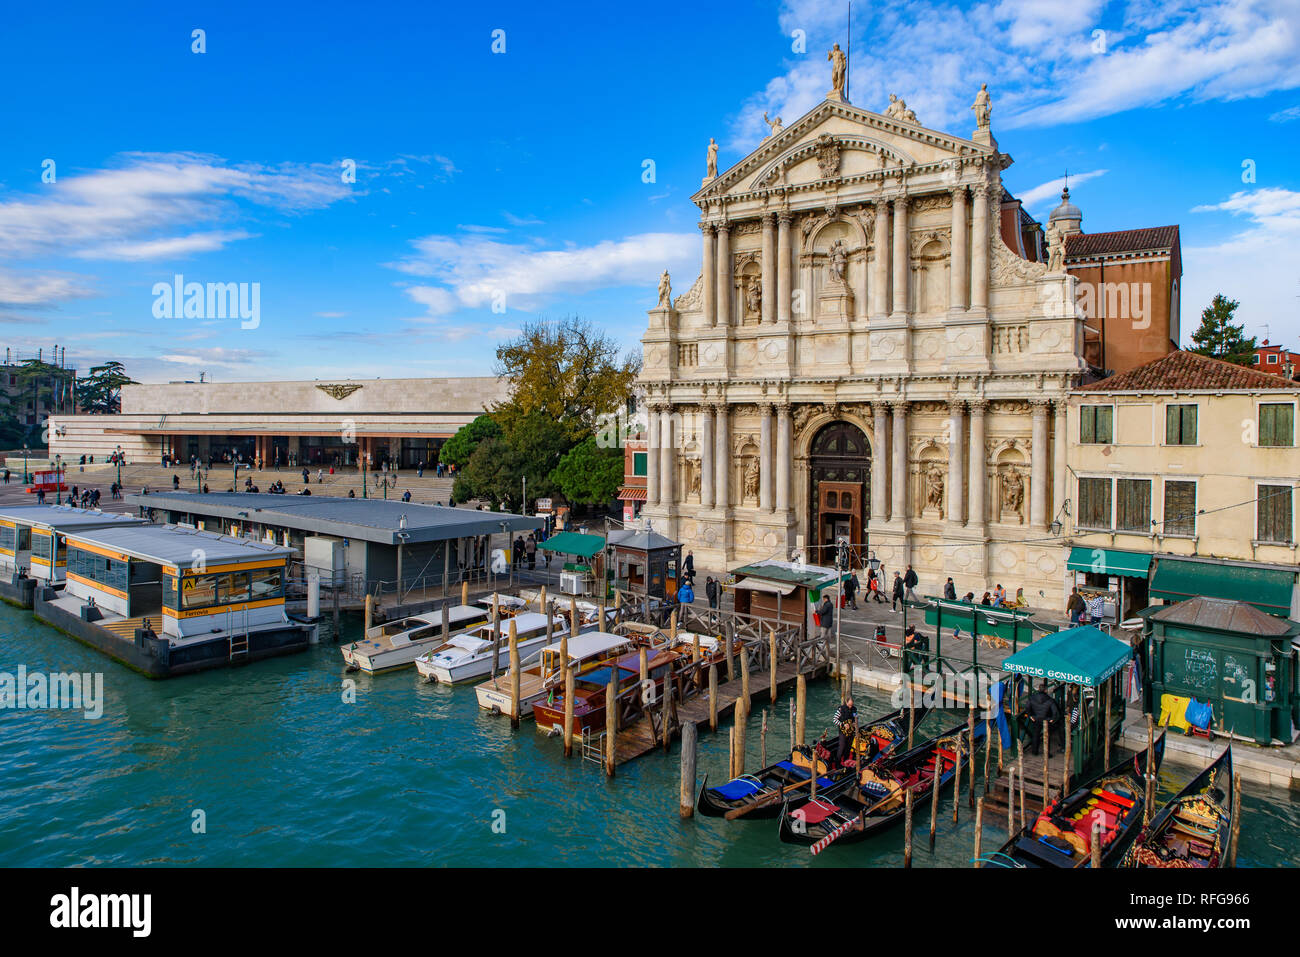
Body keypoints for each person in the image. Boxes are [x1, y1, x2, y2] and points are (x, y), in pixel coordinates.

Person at [1025, 686, 1063, 755]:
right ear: (1045, 690)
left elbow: (1027, 707)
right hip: (1046, 719)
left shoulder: (1032, 698)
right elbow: (1055, 711)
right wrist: (1052, 719)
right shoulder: (1050, 700)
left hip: (1036, 718)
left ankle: (1034, 751)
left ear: (1038, 689)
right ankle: (1047, 753)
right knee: (1047, 736)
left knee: (1035, 735)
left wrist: (1030, 715)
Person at [833, 696, 858, 767]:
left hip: (851, 731)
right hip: (843, 732)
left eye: (851, 705)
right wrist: (843, 724)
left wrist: (854, 724)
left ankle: (846, 761)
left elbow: (856, 718)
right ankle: (837, 763)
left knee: (848, 747)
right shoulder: (840, 709)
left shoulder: (854, 709)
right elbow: (834, 720)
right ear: (846, 702)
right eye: (849, 705)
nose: (850, 707)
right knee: (842, 747)